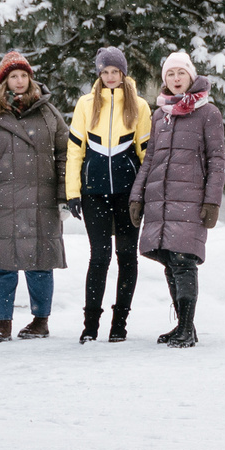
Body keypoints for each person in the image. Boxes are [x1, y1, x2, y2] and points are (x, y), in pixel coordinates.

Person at [0, 50, 68, 340]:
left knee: (40, 264)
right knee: (3, 266)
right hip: (1, 202)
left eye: (24, 75)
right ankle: (4, 323)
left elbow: (65, 152)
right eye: (13, 76)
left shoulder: (48, 111)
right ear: (5, 80)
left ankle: (40, 320)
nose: (19, 80)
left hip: (42, 199)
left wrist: (64, 196)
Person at [128, 50, 224, 348]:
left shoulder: (208, 113)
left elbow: (217, 160)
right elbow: (151, 159)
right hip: (161, 199)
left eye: (181, 73)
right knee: (170, 261)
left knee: (184, 261)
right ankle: (186, 327)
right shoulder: (161, 114)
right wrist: (137, 197)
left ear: (191, 76)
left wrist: (212, 201)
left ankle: (185, 327)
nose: (176, 78)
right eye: (170, 74)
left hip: (190, 199)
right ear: (165, 80)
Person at [68, 47, 149, 343]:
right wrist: (72, 192)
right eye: (105, 72)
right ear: (99, 74)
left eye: (115, 71)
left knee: (127, 256)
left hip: (128, 193)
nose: (111, 77)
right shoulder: (86, 104)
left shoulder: (139, 105)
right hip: (94, 192)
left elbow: (146, 153)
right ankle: (90, 325)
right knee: (99, 257)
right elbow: (75, 150)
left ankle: (120, 323)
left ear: (123, 73)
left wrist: (145, 194)